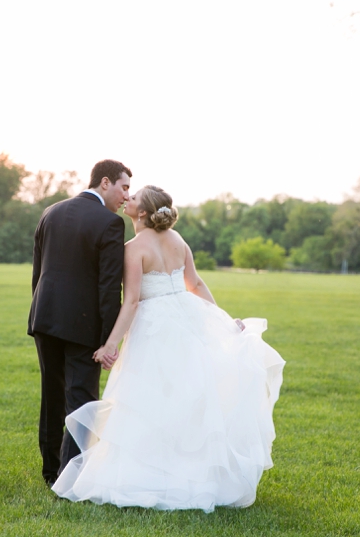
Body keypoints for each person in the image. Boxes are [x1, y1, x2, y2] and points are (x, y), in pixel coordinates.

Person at [51, 185, 285, 512]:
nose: (127, 199)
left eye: (133, 198)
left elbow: (131, 300)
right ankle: (188, 472)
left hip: (154, 327)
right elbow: (197, 284)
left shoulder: (133, 248)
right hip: (187, 320)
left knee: (146, 399)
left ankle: (147, 474)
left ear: (142, 212)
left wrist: (111, 344)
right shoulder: (179, 241)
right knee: (183, 398)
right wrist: (224, 319)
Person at [28, 159, 132, 487]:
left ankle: (50, 470)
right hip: (84, 325)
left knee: (52, 395)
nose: (126, 197)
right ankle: (70, 475)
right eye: (124, 187)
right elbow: (108, 287)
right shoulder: (110, 223)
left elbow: (38, 271)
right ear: (105, 182)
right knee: (82, 399)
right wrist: (107, 340)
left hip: (44, 317)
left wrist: (40, 312)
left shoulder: (51, 211)